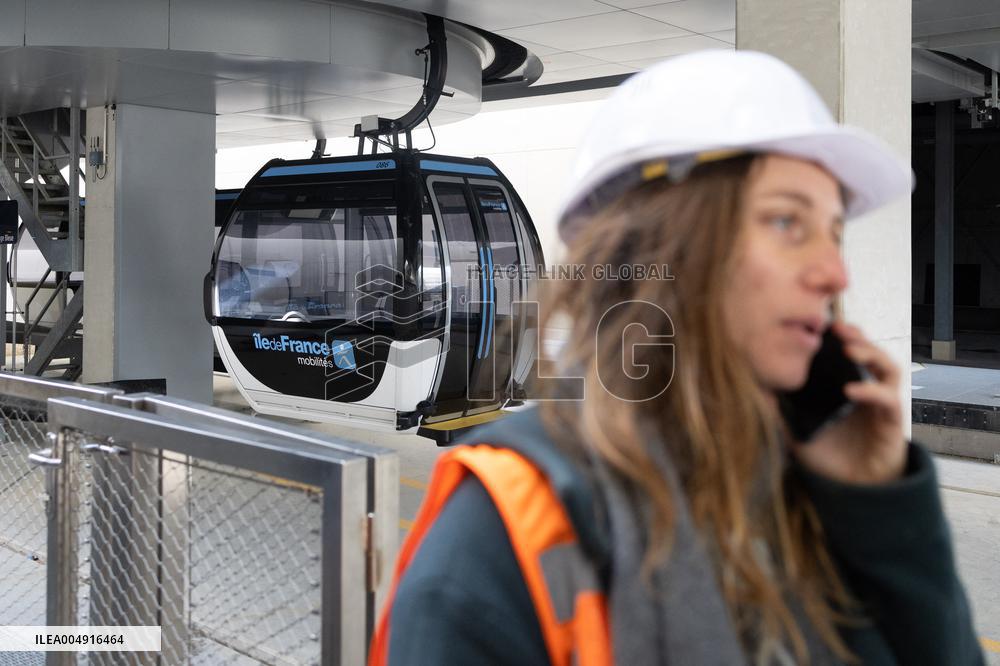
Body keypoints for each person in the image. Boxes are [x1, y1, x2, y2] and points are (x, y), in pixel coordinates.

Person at [369, 50, 985, 665]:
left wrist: (887, 506)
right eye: (787, 222)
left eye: (833, 232)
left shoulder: (824, 485)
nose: (833, 272)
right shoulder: (503, 539)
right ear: (661, 246)